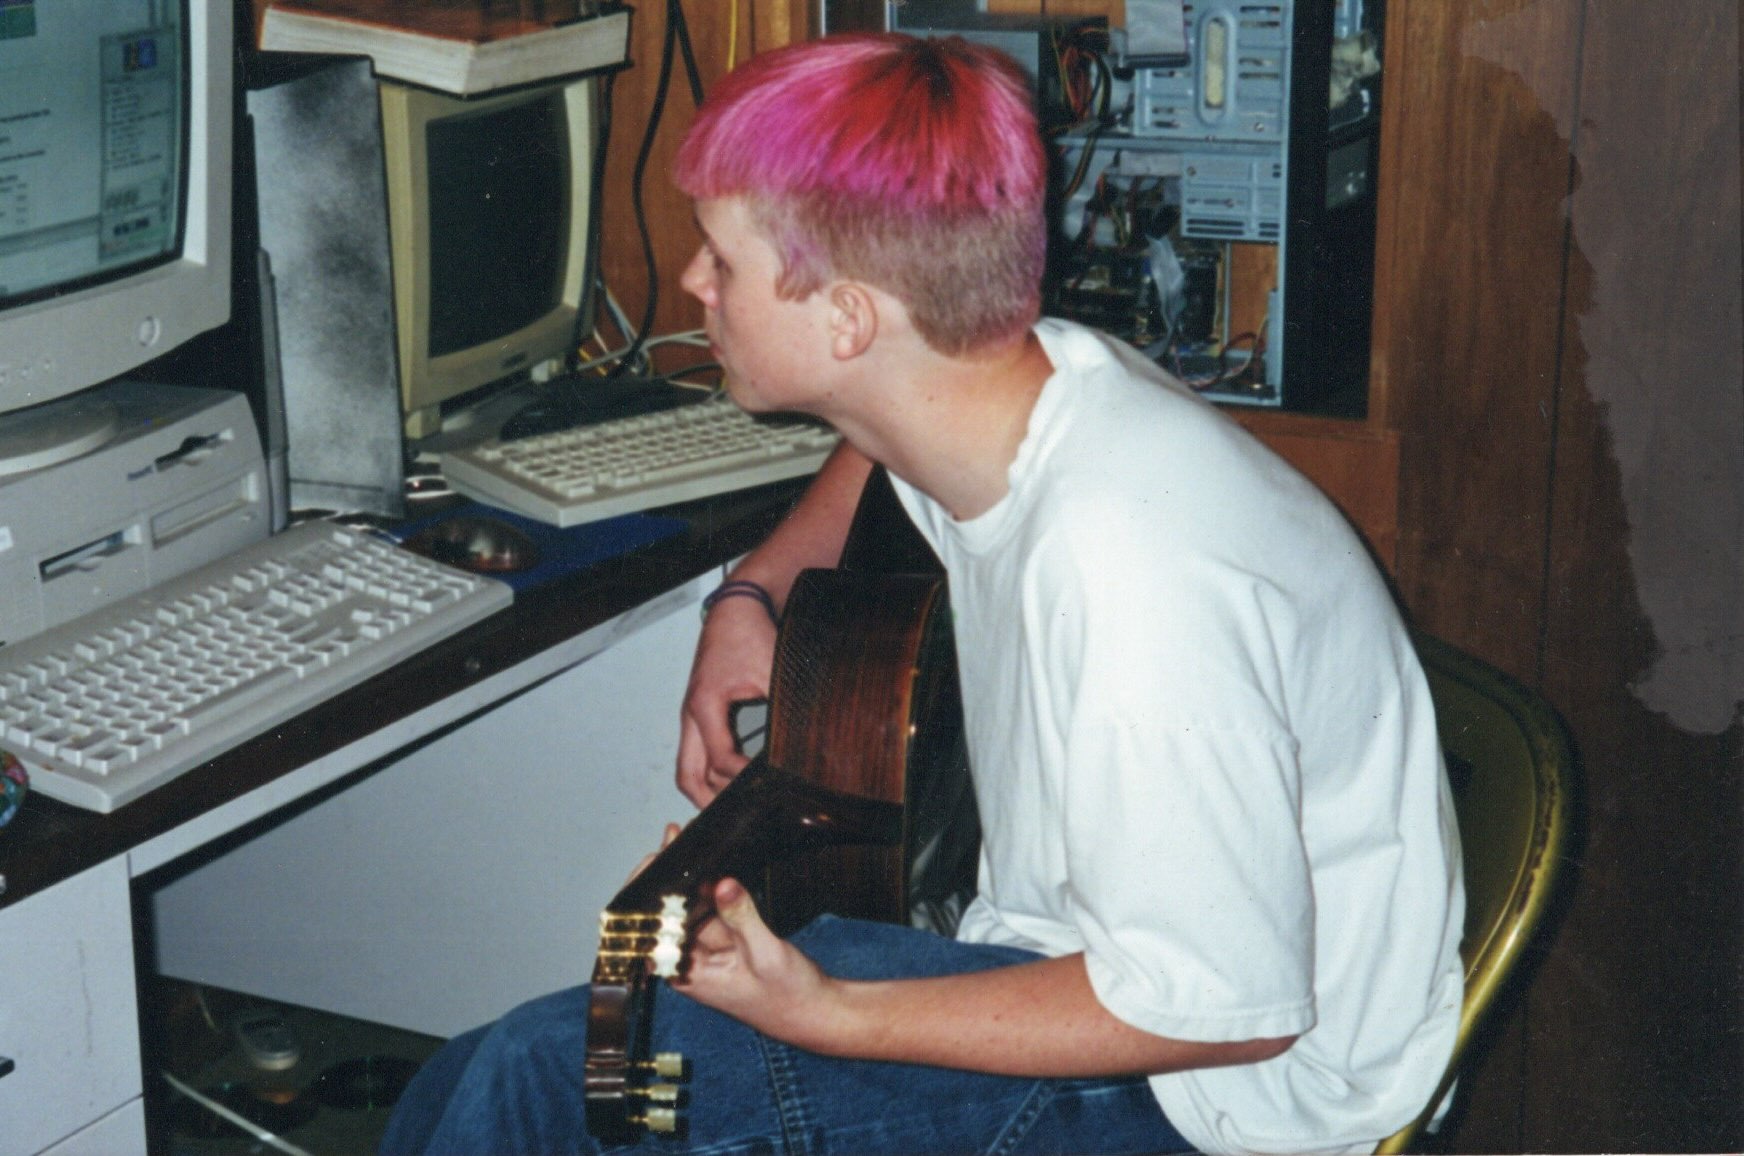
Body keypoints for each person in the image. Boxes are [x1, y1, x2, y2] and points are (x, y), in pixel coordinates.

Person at [381, 32, 1464, 1156]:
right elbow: (877, 441)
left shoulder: (1134, 578)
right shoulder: (1026, 379)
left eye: (721, 259)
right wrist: (755, 593)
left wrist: (824, 1013)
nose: (695, 282)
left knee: (541, 1082)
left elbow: (1218, 1006)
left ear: (847, 322)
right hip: (1101, 968)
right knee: (481, 1069)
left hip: (1227, 1095)